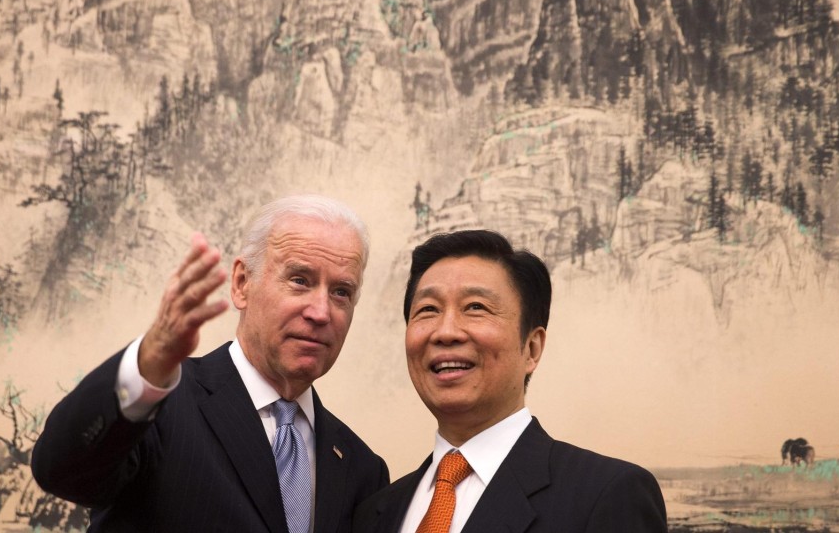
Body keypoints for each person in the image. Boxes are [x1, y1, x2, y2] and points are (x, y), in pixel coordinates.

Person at [32, 194, 390, 532]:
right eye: (299, 280)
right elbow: (62, 471)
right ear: (241, 283)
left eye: (341, 292)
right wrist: (150, 359)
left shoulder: (363, 470)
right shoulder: (158, 407)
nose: (321, 312)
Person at [354, 230, 667, 533]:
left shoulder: (607, 493)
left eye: (475, 307)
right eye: (428, 309)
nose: (445, 331)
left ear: (531, 348)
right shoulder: (375, 512)